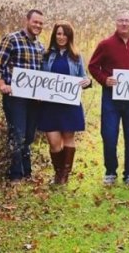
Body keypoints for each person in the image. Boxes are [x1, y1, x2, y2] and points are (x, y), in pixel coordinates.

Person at [88, 10, 129, 186]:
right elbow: (93, 66)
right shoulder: (105, 44)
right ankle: (110, 171)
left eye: (127, 21)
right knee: (109, 135)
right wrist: (104, 80)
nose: (124, 24)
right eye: (121, 20)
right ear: (116, 22)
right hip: (111, 98)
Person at [0, 9, 45, 184]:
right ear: (27, 21)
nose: (37, 26)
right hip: (15, 97)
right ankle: (15, 175)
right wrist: (2, 85)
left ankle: (27, 172)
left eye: (41, 23)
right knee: (17, 134)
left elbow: (41, 73)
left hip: (33, 99)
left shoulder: (40, 46)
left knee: (29, 136)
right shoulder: (12, 39)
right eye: (35, 22)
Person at [38, 21, 92, 185]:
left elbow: (84, 76)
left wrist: (87, 81)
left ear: (69, 37)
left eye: (64, 34)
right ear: (54, 35)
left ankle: (63, 176)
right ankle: (58, 171)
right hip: (50, 105)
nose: (61, 37)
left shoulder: (76, 56)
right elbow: (39, 77)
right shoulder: (46, 55)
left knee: (68, 138)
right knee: (54, 142)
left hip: (69, 104)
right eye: (58, 34)